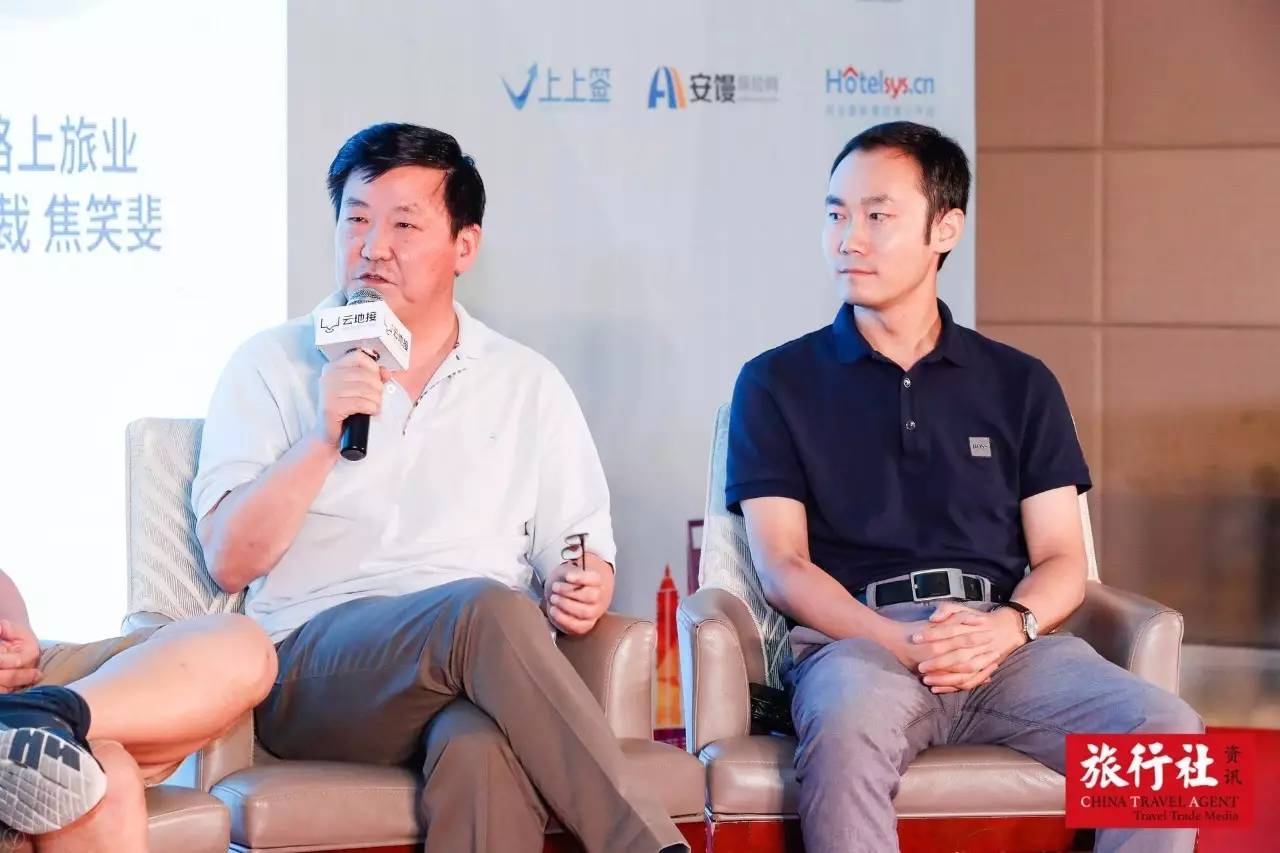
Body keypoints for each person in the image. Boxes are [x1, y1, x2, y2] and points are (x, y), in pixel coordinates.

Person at [193, 122, 686, 853]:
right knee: (484, 610)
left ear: (464, 245)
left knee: (482, 748)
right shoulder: (272, 364)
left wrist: (585, 583)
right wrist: (322, 437)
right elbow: (229, 560)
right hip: (313, 670)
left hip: (478, 678)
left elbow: (581, 547)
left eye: (403, 224)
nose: (373, 247)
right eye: (356, 220)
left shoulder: (526, 382)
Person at [727, 121, 1203, 853]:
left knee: (1170, 731)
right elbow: (783, 565)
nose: (848, 239)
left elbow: (1062, 558)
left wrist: (1007, 627)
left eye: (877, 216)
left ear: (945, 228)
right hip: (860, 646)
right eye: (836, 214)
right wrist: (899, 641)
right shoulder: (775, 382)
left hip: (1004, 648)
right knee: (847, 726)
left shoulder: (1020, 382)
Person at [0, 569, 275, 851]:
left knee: (241, 643)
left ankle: (39, 716)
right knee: (101, 780)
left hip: (32, 679)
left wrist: (18, 631)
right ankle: (33, 724)